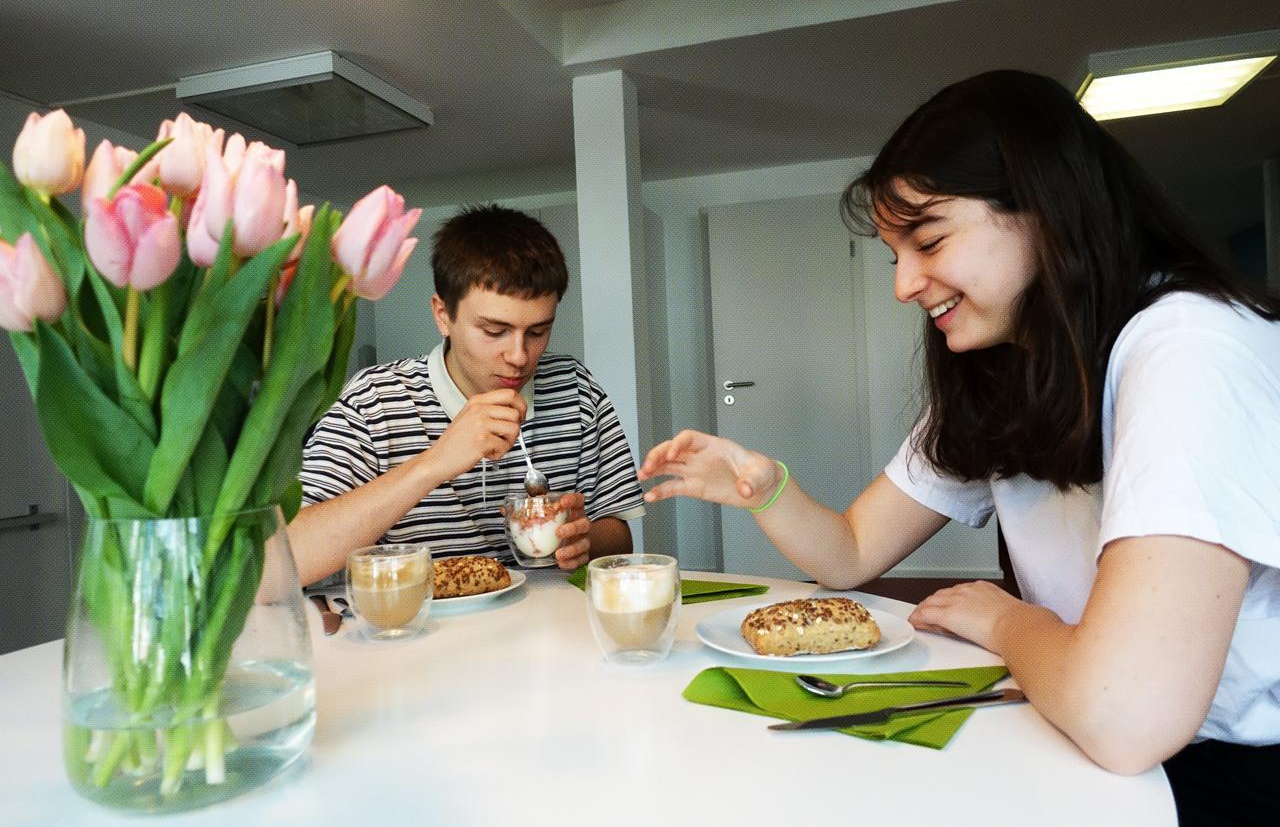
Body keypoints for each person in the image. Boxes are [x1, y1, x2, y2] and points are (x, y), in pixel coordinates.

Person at [638, 70, 1280, 825]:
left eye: (930, 240)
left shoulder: (1190, 348)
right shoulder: (1011, 364)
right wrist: (765, 485)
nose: (905, 284)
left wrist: (1009, 622)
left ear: (1045, 209)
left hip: (1226, 771)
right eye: (893, 255)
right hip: (1083, 729)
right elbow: (848, 551)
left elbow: (1124, 714)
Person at [292, 204, 644, 585]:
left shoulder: (576, 390)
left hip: (547, 633)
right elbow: (290, 558)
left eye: (538, 332)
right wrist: (435, 462)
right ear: (442, 314)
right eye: (494, 331)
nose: (519, 356)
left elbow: (619, 536)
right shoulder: (374, 401)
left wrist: (582, 536)